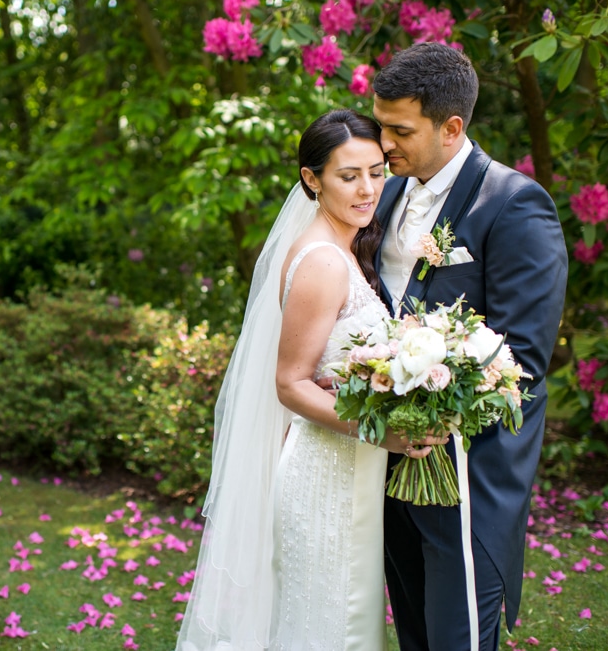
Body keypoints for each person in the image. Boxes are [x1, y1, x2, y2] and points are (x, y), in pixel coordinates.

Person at [175, 109, 446, 651]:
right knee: (331, 626)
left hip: (351, 473)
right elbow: (290, 384)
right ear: (311, 180)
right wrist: (382, 433)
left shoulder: (342, 250)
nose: (368, 189)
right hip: (327, 475)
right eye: (349, 176)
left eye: (377, 170)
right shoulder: (323, 261)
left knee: (341, 622)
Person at [371, 42, 568, 651]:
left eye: (399, 131)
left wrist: (430, 405)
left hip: (466, 483)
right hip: (385, 469)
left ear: (451, 127)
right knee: (415, 636)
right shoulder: (384, 193)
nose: (383, 146)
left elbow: (522, 365)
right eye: (380, 127)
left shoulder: (513, 205)